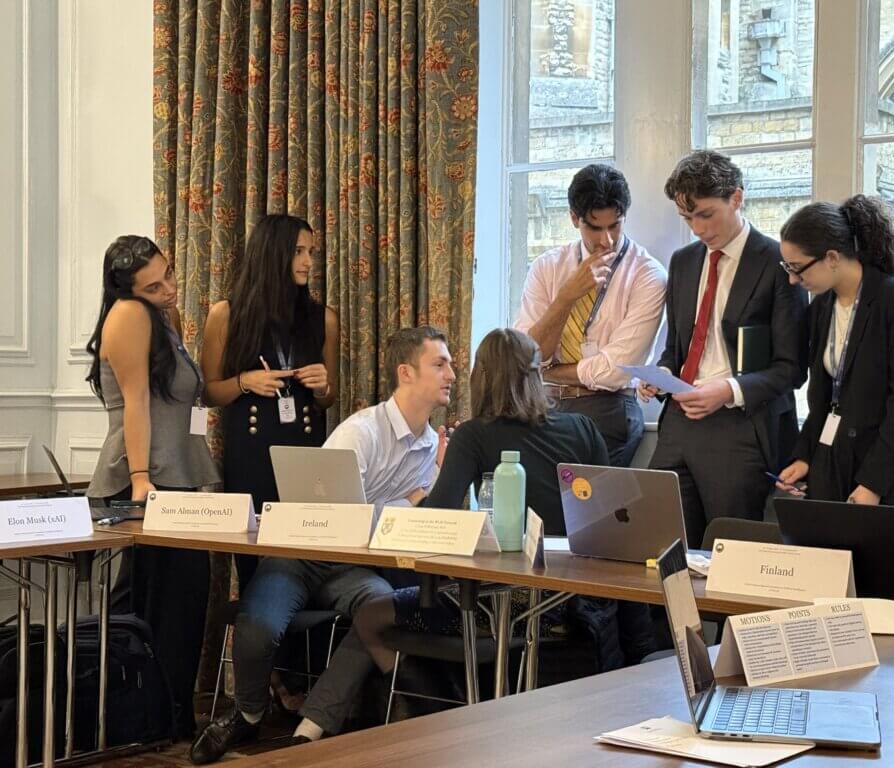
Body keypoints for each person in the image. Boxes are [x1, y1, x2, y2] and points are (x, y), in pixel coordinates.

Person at [282, 328, 610, 743]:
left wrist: (425, 488)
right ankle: (421, 724)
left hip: (504, 603)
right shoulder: (583, 428)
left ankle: (433, 718)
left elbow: (436, 523)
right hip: (574, 601)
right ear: (536, 375)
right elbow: (604, 517)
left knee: (372, 614)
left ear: (483, 377)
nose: (453, 374)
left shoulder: (476, 434)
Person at [190, 326, 454, 764]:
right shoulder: (362, 431)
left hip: (354, 567)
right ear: (406, 373)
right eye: (440, 364)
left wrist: (434, 485)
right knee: (259, 627)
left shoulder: (433, 448)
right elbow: (337, 514)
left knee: (381, 612)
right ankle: (248, 715)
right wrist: (408, 501)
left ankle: (309, 730)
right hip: (303, 553)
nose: (451, 374)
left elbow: (410, 525)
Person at [86, 235, 220, 738]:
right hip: (146, 478)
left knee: (181, 603)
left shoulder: (163, 317)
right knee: (165, 605)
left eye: (169, 274)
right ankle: (152, 720)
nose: (169, 288)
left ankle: (165, 718)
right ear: (127, 290)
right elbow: (136, 402)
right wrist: (142, 482)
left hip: (173, 475)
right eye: (154, 286)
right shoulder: (128, 315)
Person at [643, 150, 808, 549]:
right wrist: (661, 375)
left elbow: (792, 367)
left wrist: (728, 390)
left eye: (706, 214)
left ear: (736, 198)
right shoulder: (683, 262)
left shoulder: (778, 262)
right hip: (677, 424)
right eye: (687, 218)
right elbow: (676, 348)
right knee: (662, 546)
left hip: (741, 427)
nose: (698, 229)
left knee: (730, 552)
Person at [774, 195, 894, 511]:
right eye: (787, 267)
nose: (792, 279)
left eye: (798, 268)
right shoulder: (822, 307)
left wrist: (872, 483)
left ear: (832, 257)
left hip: (893, 470)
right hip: (838, 460)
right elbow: (822, 397)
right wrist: (804, 456)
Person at [201, 214, 338, 590]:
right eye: (298, 252)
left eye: (311, 252)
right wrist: (244, 382)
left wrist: (322, 386)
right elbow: (208, 392)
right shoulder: (226, 315)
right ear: (272, 253)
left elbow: (329, 399)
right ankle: (256, 627)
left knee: (306, 562)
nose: (308, 262)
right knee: (254, 567)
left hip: (305, 455)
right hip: (251, 456)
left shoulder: (323, 319)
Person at [514, 163, 666, 468]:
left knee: (580, 494)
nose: (607, 240)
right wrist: (566, 297)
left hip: (607, 406)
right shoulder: (547, 267)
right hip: (544, 402)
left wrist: (549, 371)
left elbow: (615, 371)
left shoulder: (648, 275)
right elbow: (527, 355)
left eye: (615, 226)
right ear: (574, 218)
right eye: (595, 228)